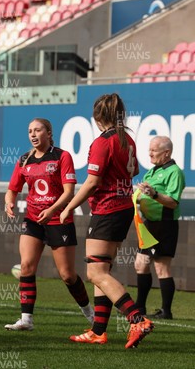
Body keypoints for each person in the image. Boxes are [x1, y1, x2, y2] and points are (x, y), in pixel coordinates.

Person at [60, 93, 154, 348]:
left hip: (108, 209)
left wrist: (68, 207)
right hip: (123, 206)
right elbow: (130, 172)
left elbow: (92, 183)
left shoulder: (103, 142)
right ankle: (98, 330)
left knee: (95, 272)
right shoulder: (128, 139)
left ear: (97, 116)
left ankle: (137, 319)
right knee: (102, 271)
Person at [3, 118, 93, 331]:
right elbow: (12, 188)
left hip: (58, 219)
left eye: (38, 130)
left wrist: (52, 210)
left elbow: (69, 191)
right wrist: (9, 202)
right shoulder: (24, 160)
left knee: (67, 275)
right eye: (29, 131)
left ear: (49, 133)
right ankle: (26, 319)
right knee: (26, 266)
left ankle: (90, 313)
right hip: (33, 219)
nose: (33, 134)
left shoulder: (62, 156)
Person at [134, 136, 185, 319]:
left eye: (154, 150)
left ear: (167, 153)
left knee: (161, 268)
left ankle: (166, 311)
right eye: (149, 149)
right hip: (149, 224)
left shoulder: (174, 172)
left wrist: (153, 194)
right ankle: (139, 308)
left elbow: (172, 202)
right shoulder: (152, 172)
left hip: (165, 225)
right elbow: (143, 195)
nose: (150, 153)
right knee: (140, 264)